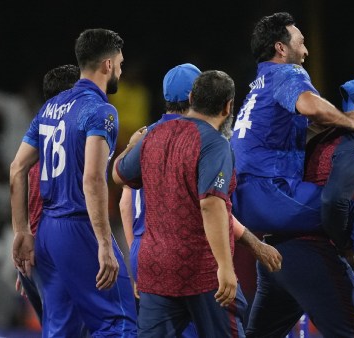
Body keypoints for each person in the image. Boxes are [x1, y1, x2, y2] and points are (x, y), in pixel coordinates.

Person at [118, 63, 282, 337]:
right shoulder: (212, 142)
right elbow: (210, 205)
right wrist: (227, 266)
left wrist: (130, 147)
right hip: (200, 265)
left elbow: (122, 185)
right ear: (226, 106)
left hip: (151, 258)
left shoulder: (150, 135)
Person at [245, 77, 354, 337]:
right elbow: (333, 201)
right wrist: (344, 244)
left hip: (275, 253)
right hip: (310, 254)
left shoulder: (325, 136)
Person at [10, 28, 137, 336]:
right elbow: (93, 178)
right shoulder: (101, 111)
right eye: (119, 62)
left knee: (61, 328)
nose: (121, 69)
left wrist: (22, 231)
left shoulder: (50, 108)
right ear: (107, 65)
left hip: (48, 234)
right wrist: (105, 244)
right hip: (79, 228)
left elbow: (17, 168)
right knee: (118, 322)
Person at [230, 11, 354, 235]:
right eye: (301, 43)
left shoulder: (259, 85)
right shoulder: (286, 72)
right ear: (281, 48)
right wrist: (350, 122)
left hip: (243, 201)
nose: (305, 51)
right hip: (270, 193)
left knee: (301, 234)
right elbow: (311, 106)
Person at [14, 64, 81, 327]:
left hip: (38, 255)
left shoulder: (35, 145)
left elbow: (28, 200)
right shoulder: (70, 147)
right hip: (55, 256)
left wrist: (28, 253)